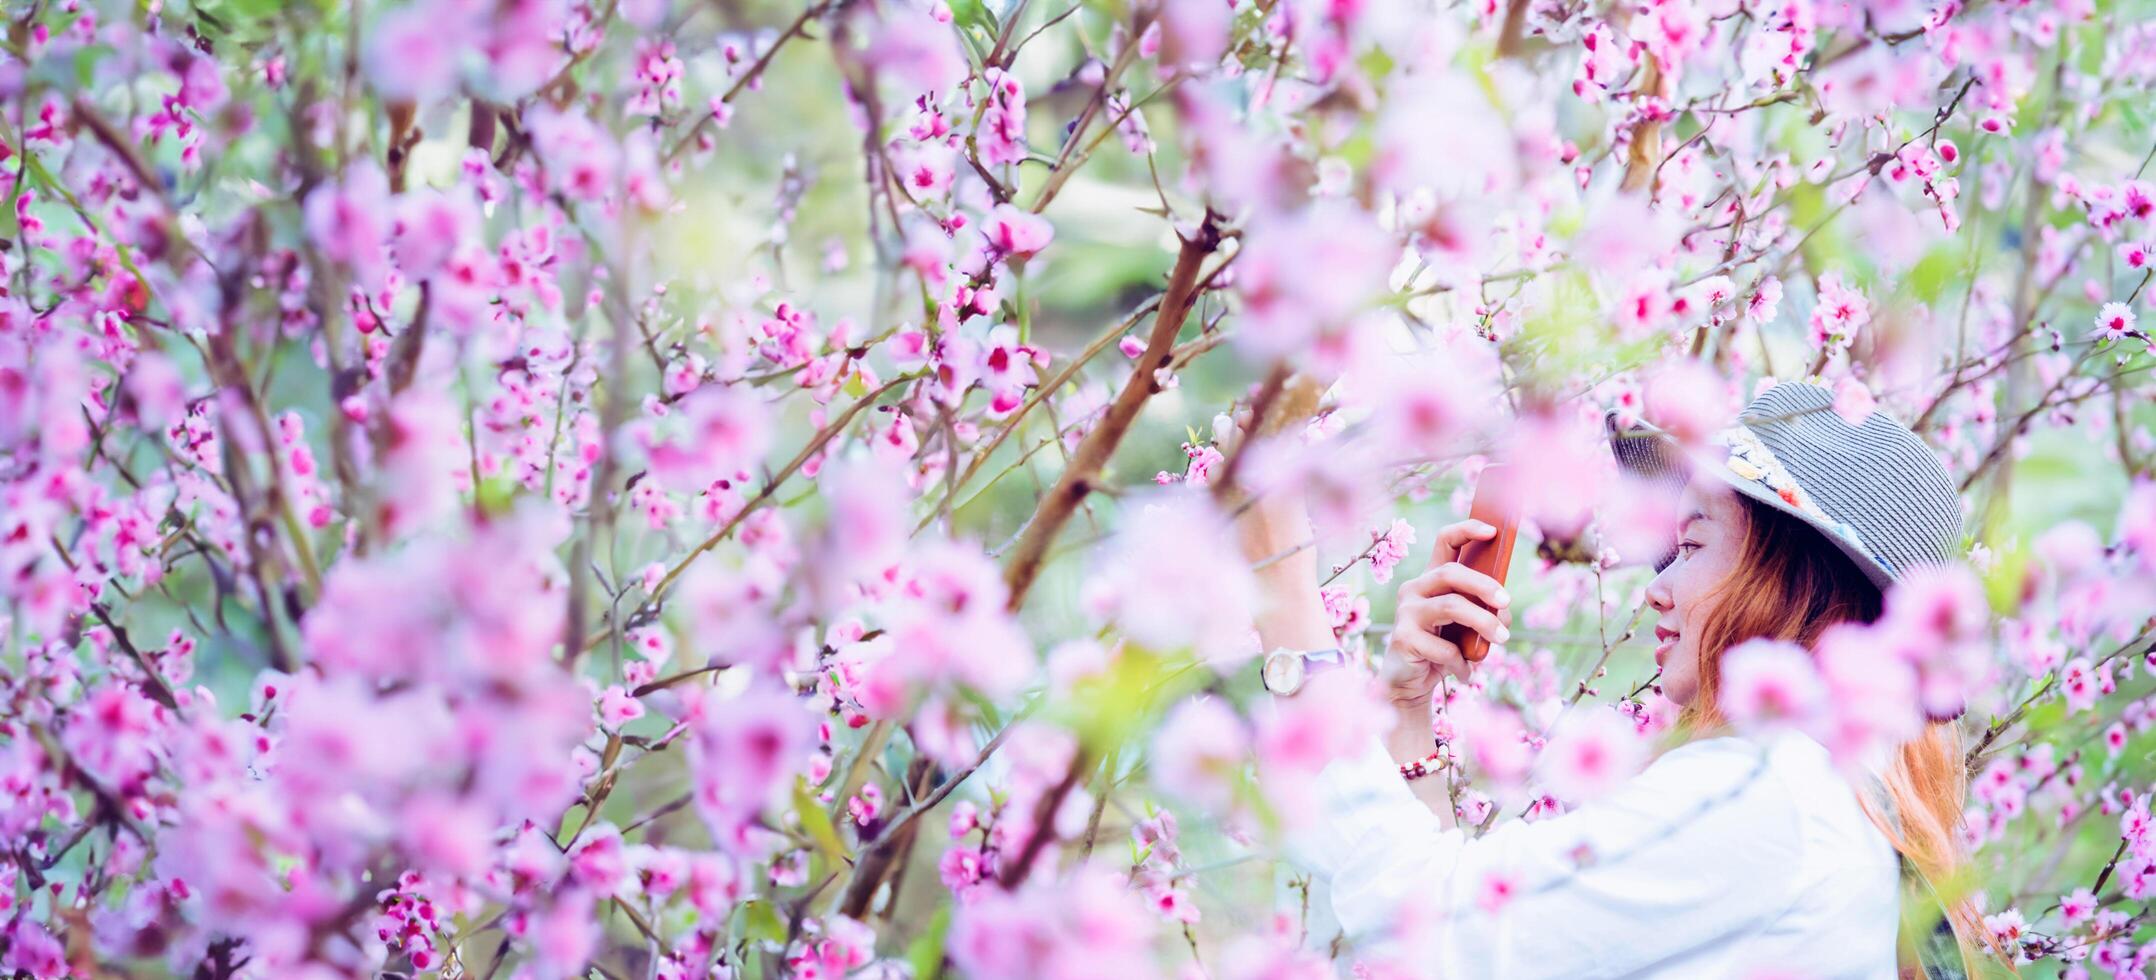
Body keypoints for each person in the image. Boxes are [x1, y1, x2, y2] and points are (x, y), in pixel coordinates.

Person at [1234, 380, 2007, 979]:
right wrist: (1407, 716)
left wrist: (1286, 600)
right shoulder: (1832, 797)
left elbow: (1435, 935)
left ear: (1797, 583)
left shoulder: (1771, 792)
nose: (1658, 588)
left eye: (1695, 546)